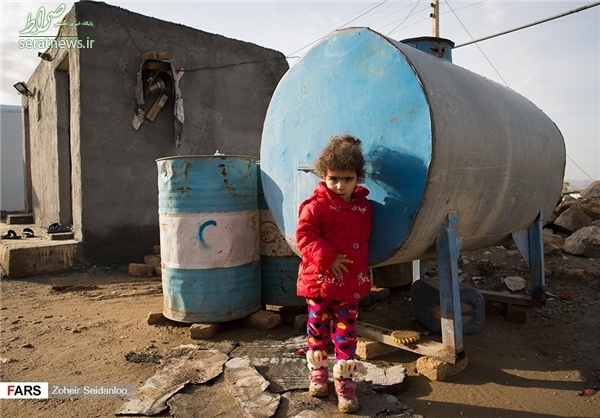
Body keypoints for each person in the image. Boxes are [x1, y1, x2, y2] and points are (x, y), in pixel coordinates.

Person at [295, 134, 372, 413]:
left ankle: (345, 380)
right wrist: (327, 257)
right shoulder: (315, 206)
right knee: (317, 328)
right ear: (323, 176)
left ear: (358, 177)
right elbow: (304, 235)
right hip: (320, 282)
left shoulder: (364, 207)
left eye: (347, 179)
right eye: (333, 179)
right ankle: (318, 373)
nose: (340, 186)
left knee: (346, 333)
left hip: (349, 283)